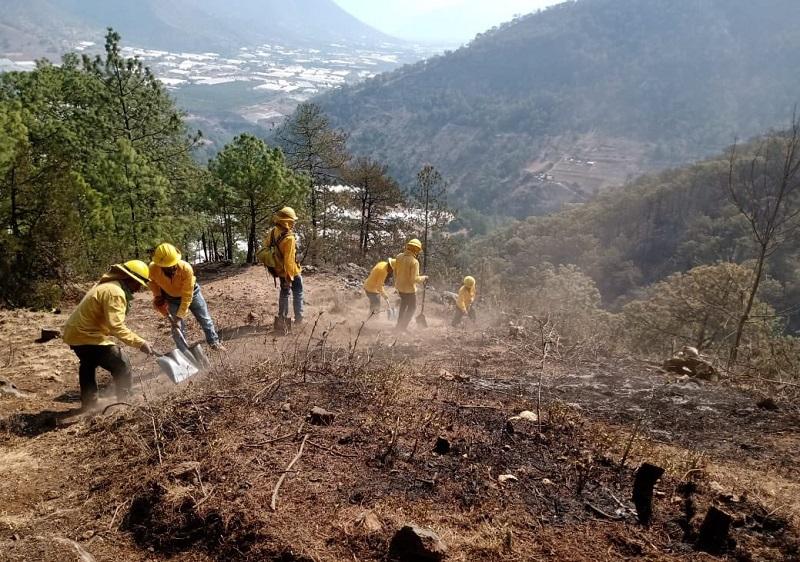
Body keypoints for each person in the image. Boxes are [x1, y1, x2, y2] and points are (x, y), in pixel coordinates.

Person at [62, 260, 155, 410]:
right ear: (128, 278)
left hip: (74, 334)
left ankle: (89, 404)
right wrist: (140, 343)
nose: (138, 288)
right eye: (138, 283)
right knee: (122, 363)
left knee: (88, 363)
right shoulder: (115, 292)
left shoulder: (107, 286)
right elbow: (116, 326)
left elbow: (110, 324)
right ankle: (125, 405)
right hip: (87, 335)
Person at [149, 242, 225, 351]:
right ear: (160, 265)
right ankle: (184, 353)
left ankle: (214, 343)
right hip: (171, 297)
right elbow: (153, 283)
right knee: (177, 329)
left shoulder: (186, 268)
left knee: (205, 319)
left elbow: (187, 295)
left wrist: (179, 317)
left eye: (174, 263)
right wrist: (158, 296)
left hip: (193, 294)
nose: (173, 267)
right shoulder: (153, 268)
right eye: (168, 266)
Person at [265, 206, 303, 325]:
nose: (294, 222)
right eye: (292, 220)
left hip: (279, 269)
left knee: (284, 293)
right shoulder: (289, 238)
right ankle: (299, 319)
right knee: (298, 292)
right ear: (287, 222)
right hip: (290, 272)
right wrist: (289, 277)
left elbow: (266, 247)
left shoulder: (273, 232)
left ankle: (282, 318)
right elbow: (289, 261)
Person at [393, 238, 428, 331]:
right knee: (412, 308)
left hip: (400, 287)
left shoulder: (399, 256)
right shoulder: (414, 262)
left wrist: (396, 283)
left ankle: (398, 325)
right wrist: (424, 278)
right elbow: (414, 279)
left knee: (403, 305)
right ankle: (402, 327)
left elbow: (395, 271)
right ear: (416, 250)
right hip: (409, 290)